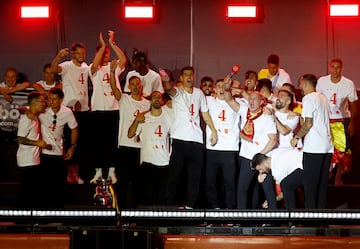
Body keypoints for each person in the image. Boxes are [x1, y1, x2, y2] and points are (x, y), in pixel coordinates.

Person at [161, 66, 218, 209]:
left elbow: (205, 113)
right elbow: (169, 89)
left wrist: (213, 131)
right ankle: (170, 206)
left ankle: (190, 206)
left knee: (195, 176)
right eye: (186, 75)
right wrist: (166, 80)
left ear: (194, 77)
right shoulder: (178, 92)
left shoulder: (199, 94)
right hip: (180, 139)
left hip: (196, 140)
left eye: (191, 75)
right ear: (181, 78)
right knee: (175, 175)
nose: (189, 77)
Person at [224, 78, 277, 209]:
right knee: (242, 189)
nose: (252, 101)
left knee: (268, 191)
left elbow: (273, 140)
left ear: (261, 102)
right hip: (247, 157)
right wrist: (226, 89)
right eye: (250, 99)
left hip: (263, 159)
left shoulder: (266, 116)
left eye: (255, 99)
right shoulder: (244, 111)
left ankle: (273, 220)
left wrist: (259, 156)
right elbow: (229, 100)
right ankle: (242, 220)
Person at [109, 59, 150, 208]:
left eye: (137, 84)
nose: (135, 87)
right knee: (122, 183)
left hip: (140, 149)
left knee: (138, 183)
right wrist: (112, 72)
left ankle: (134, 215)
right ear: (129, 86)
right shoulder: (124, 99)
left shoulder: (147, 103)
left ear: (141, 85)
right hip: (125, 148)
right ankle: (120, 214)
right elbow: (114, 89)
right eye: (132, 84)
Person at [89, 31, 127, 184]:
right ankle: (98, 172)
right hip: (98, 109)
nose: (105, 55)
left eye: (107, 53)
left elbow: (123, 59)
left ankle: (112, 172)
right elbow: (94, 65)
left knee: (112, 142)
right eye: (102, 53)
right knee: (98, 142)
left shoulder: (114, 66)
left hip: (113, 109)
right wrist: (103, 45)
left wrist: (111, 43)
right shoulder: (93, 68)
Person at [290, 74, 333, 209]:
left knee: (310, 186)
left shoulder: (308, 98)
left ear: (306, 84)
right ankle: (321, 219)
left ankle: (310, 219)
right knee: (321, 186)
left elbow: (308, 124)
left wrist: (296, 137)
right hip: (327, 146)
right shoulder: (323, 98)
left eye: (301, 84)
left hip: (314, 147)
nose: (300, 87)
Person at [51, 42, 90, 184]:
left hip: (84, 110)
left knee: (81, 143)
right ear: (73, 54)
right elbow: (54, 69)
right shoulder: (67, 66)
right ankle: (69, 173)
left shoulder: (86, 67)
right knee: (69, 141)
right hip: (70, 110)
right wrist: (59, 56)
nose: (81, 56)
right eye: (78, 53)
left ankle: (76, 172)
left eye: (83, 53)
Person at [316, 58, 358, 185]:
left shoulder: (348, 83)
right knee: (326, 147)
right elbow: (317, 100)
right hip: (326, 119)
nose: (335, 70)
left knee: (342, 150)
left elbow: (354, 104)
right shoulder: (322, 82)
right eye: (332, 67)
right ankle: (327, 172)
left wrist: (352, 122)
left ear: (341, 68)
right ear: (329, 68)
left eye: (337, 67)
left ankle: (339, 175)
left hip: (342, 120)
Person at [128, 91, 172, 207]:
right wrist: (136, 120)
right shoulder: (144, 117)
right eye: (154, 97)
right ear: (150, 100)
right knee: (146, 199)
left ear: (162, 100)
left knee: (162, 200)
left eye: (159, 97)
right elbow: (130, 134)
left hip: (164, 163)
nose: (157, 99)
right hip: (147, 163)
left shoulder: (168, 116)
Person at [38, 88, 78, 208]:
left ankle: (57, 212)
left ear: (60, 100)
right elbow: (27, 110)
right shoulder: (42, 110)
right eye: (50, 98)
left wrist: (72, 147)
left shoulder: (67, 112)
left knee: (59, 184)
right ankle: (43, 213)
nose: (52, 101)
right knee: (44, 184)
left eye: (55, 99)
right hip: (43, 153)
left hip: (58, 152)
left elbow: (74, 129)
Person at [205, 79, 239, 209]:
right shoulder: (208, 101)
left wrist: (237, 91)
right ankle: (213, 209)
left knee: (230, 182)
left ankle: (230, 211)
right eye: (218, 86)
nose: (220, 89)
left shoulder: (236, 103)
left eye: (223, 87)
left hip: (229, 149)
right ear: (214, 88)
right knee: (210, 182)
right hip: (212, 148)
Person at [16, 91, 49, 208]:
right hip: (27, 161)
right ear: (35, 103)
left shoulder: (32, 115)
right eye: (42, 101)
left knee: (31, 192)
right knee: (26, 192)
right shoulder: (27, 118)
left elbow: (23, 107)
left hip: (33, 160)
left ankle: (29, 219)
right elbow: (20, 139)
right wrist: (37, 143)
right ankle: (20, 220)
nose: (44, 103)